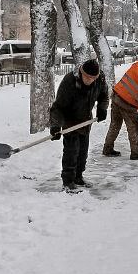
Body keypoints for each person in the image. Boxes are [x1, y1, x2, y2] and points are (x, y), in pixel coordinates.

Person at [50, 58, 106, 192]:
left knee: (83, 153)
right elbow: (58, 107)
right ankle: (68, 181)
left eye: (93, 78)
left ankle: (78, 177)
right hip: (70, 121)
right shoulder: (70, 81)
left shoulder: (100, 79)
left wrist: (102, 108)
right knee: (71, 152)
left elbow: (104, 95)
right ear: (81, 72)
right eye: (87, 77)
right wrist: (56, 126)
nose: (90, 80)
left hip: (86, 121)